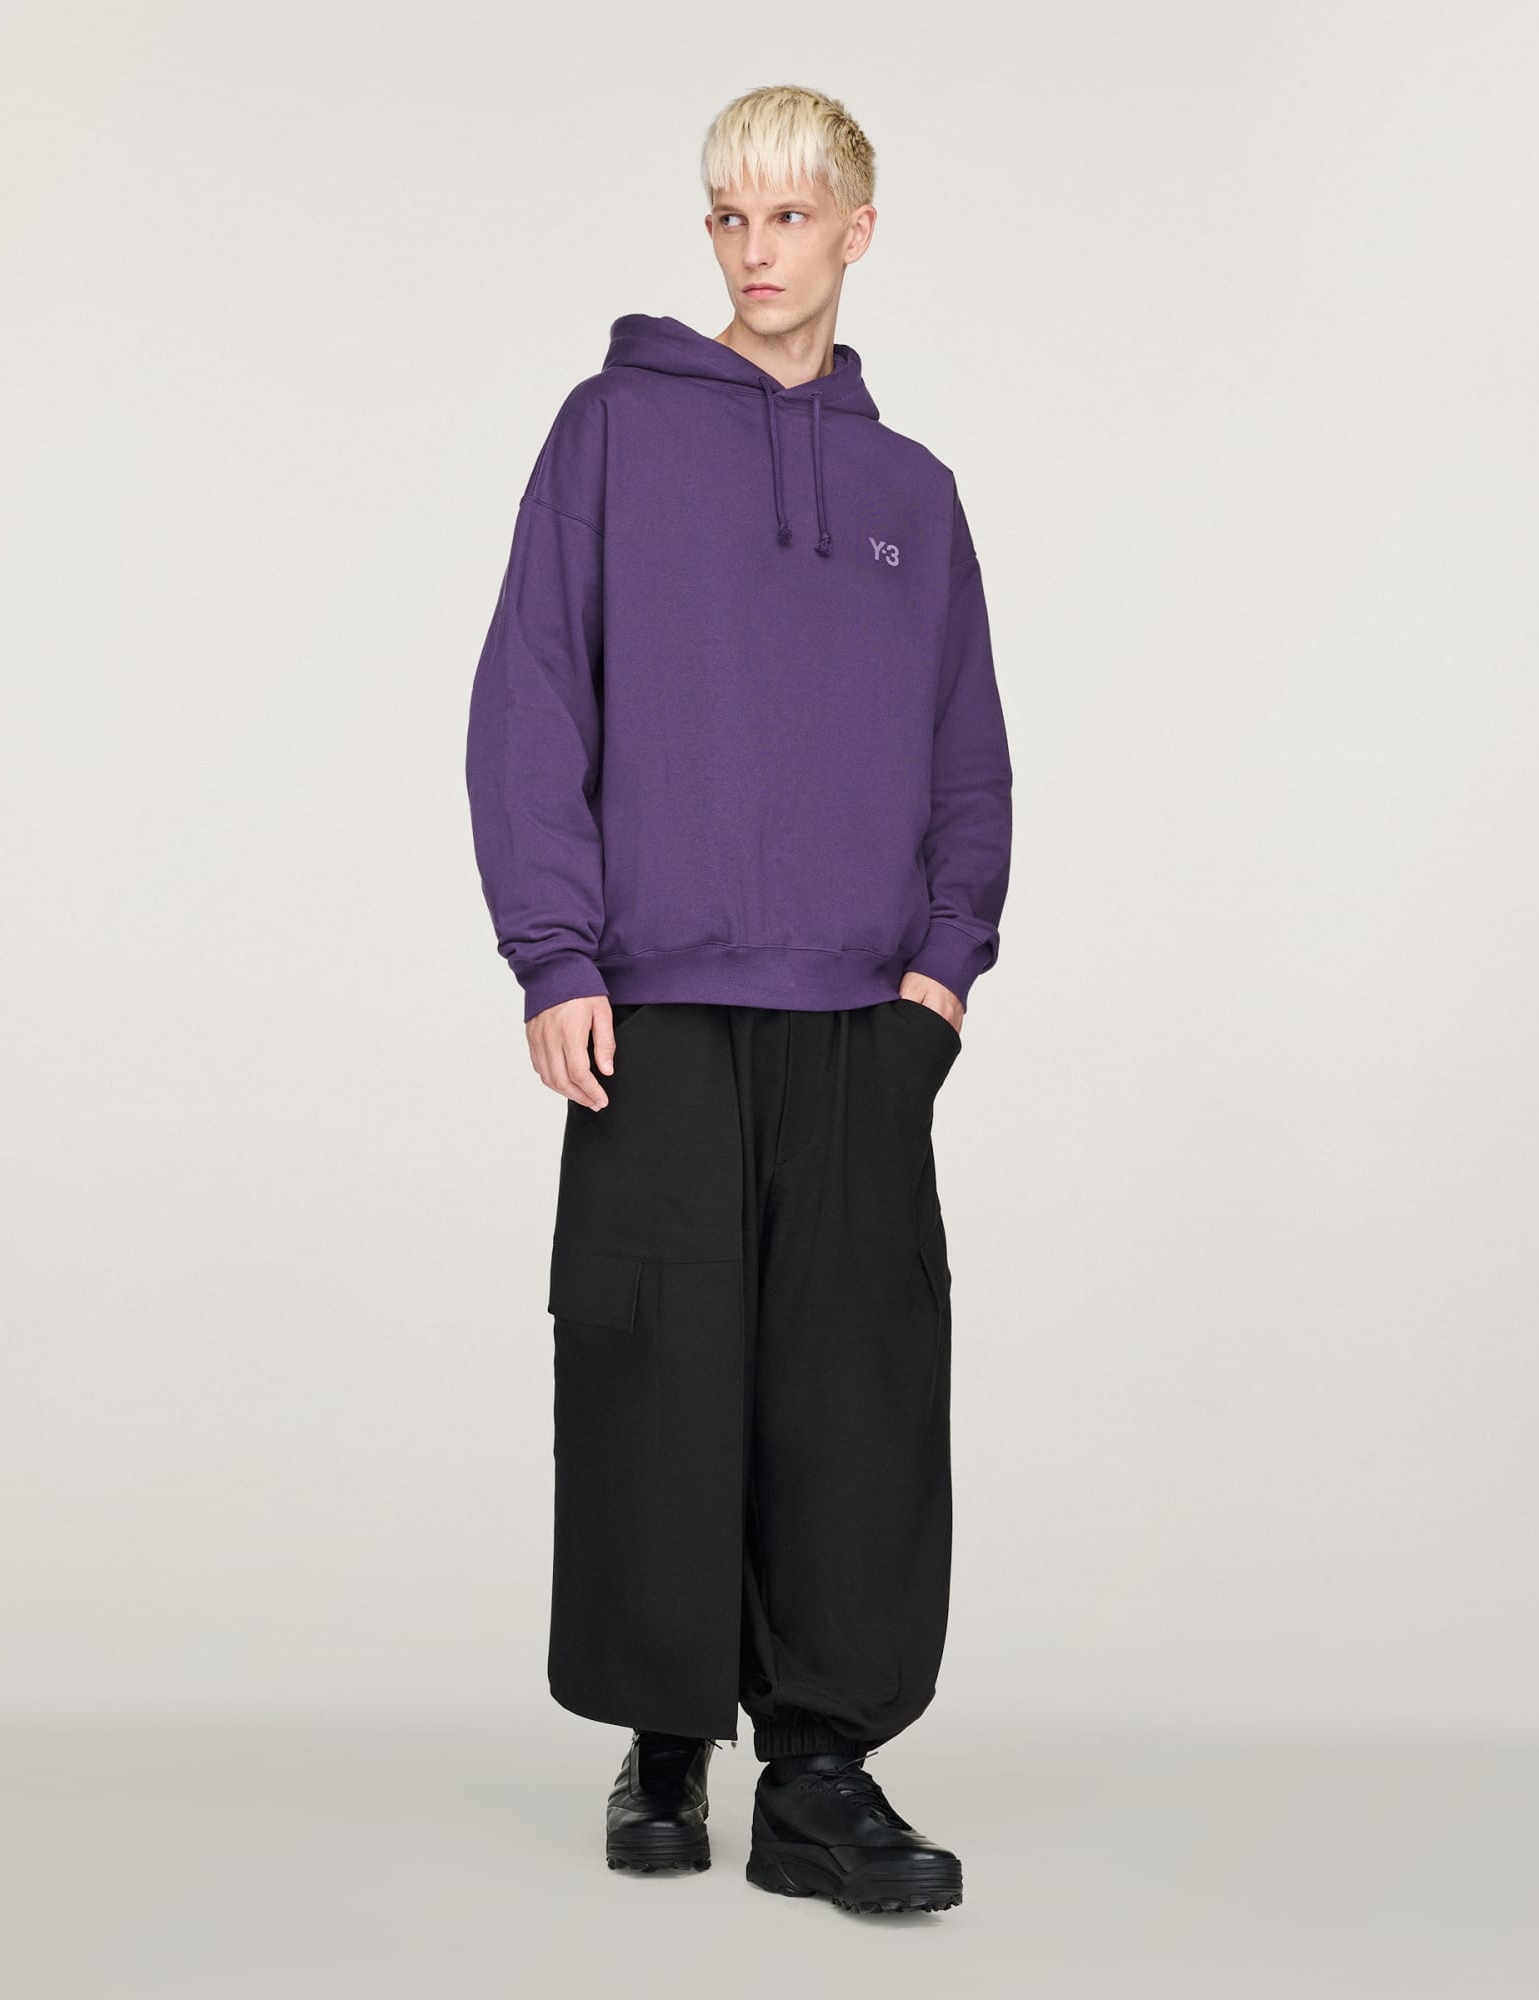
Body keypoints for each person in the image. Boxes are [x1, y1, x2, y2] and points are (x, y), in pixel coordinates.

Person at [464, 83, 1012, 1919]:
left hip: (860, 1016)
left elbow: (969, 755)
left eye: (788, 215)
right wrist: (556, 954)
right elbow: (533, 695)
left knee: (854, 1391)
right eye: (727, 214)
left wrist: (941, 970)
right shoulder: (612, 432)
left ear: (857, 230)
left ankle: (821, 1771)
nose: (754, 249)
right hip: (659, 1005)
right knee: (659, 1378)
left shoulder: (912, 493)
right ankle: (665, 1733)